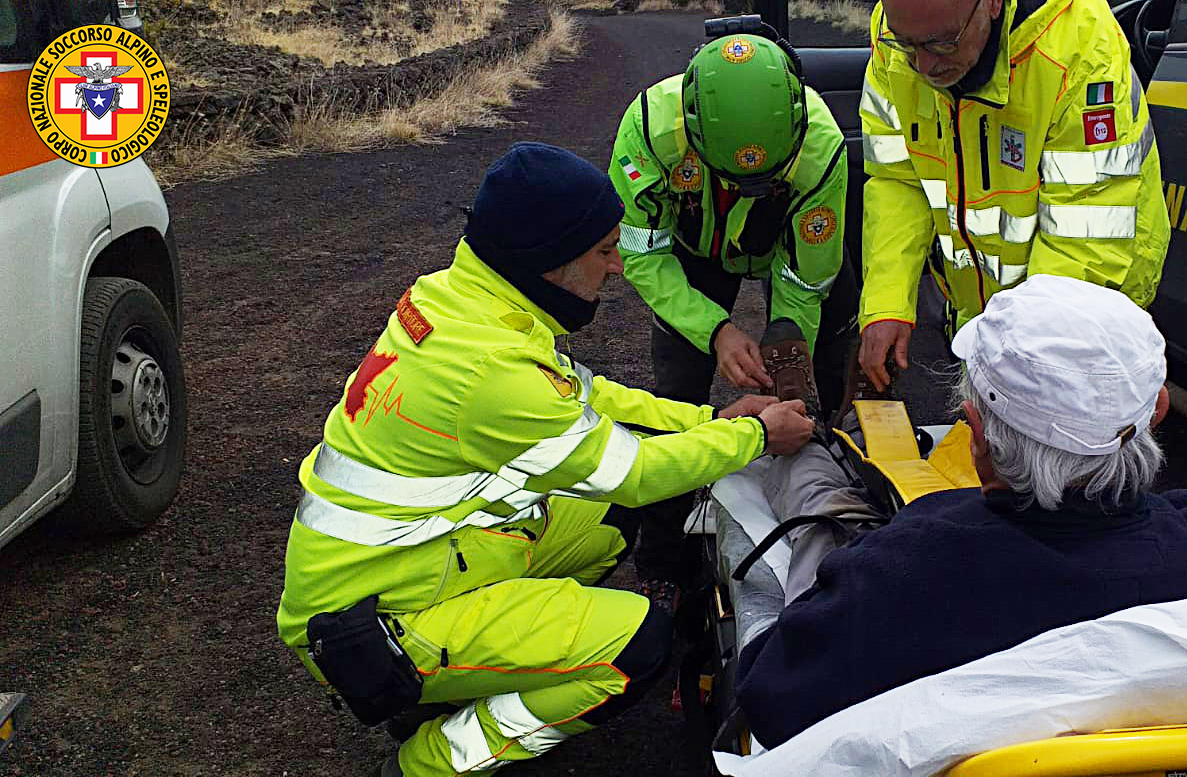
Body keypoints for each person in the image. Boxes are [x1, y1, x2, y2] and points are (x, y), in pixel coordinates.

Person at [275, 142, 816, 777]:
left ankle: (476, 676)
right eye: (603, 251)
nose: (616, 268)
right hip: (371, 623)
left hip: (407, 567)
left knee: (606, 518)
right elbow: (633, 472)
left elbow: (595, 398)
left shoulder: (465, 300)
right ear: (549, 261)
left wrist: (713, 420)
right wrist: (754, 439)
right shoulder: (489, 370)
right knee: (638, 646)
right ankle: (436, 758)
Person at [733, 274, 1187, 748]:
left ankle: (800, 427)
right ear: (1155, 410)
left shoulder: (903, 570)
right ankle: (849, 425)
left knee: (824, 508)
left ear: (976, 432)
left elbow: (769, 695)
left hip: (897, 573)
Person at [609, 29, 855, 601]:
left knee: (810, 378)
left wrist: (788, 361)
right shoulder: (648, 132)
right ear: (693, 135)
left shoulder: (820, 149)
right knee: (677, 398)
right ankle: (664, 560)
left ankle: (825, 511)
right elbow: (643, 256)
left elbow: (805, 279)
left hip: (785, 253)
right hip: (694, 257)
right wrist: (715, 330)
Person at [858, 0, 1169, 393]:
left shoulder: (1079, 47)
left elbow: (1082, 242)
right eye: (907, 45)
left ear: (990, 4)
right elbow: (897, 179)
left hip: (1082, 307)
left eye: (942, 44)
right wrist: (886, 302)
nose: (923, 65)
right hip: (981, 310)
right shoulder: (896, 30)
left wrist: (1015, 368)